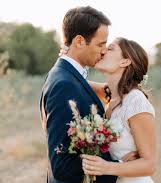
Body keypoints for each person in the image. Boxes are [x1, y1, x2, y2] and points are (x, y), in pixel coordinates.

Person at [40, 6, 136, 183]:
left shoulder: (65, 74)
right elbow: (62, 166)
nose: (104, 50)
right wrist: (118, 166)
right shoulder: (64, 84)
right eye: (100, 44)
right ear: (79, 42)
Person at [82, 37, 157, 183]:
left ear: (125, 61)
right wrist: (68, 54)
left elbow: (150, 164)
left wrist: (107, 167)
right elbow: (76, 80)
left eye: (110, 48)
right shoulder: (110, 95)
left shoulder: (136, 101)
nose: (103, 51)